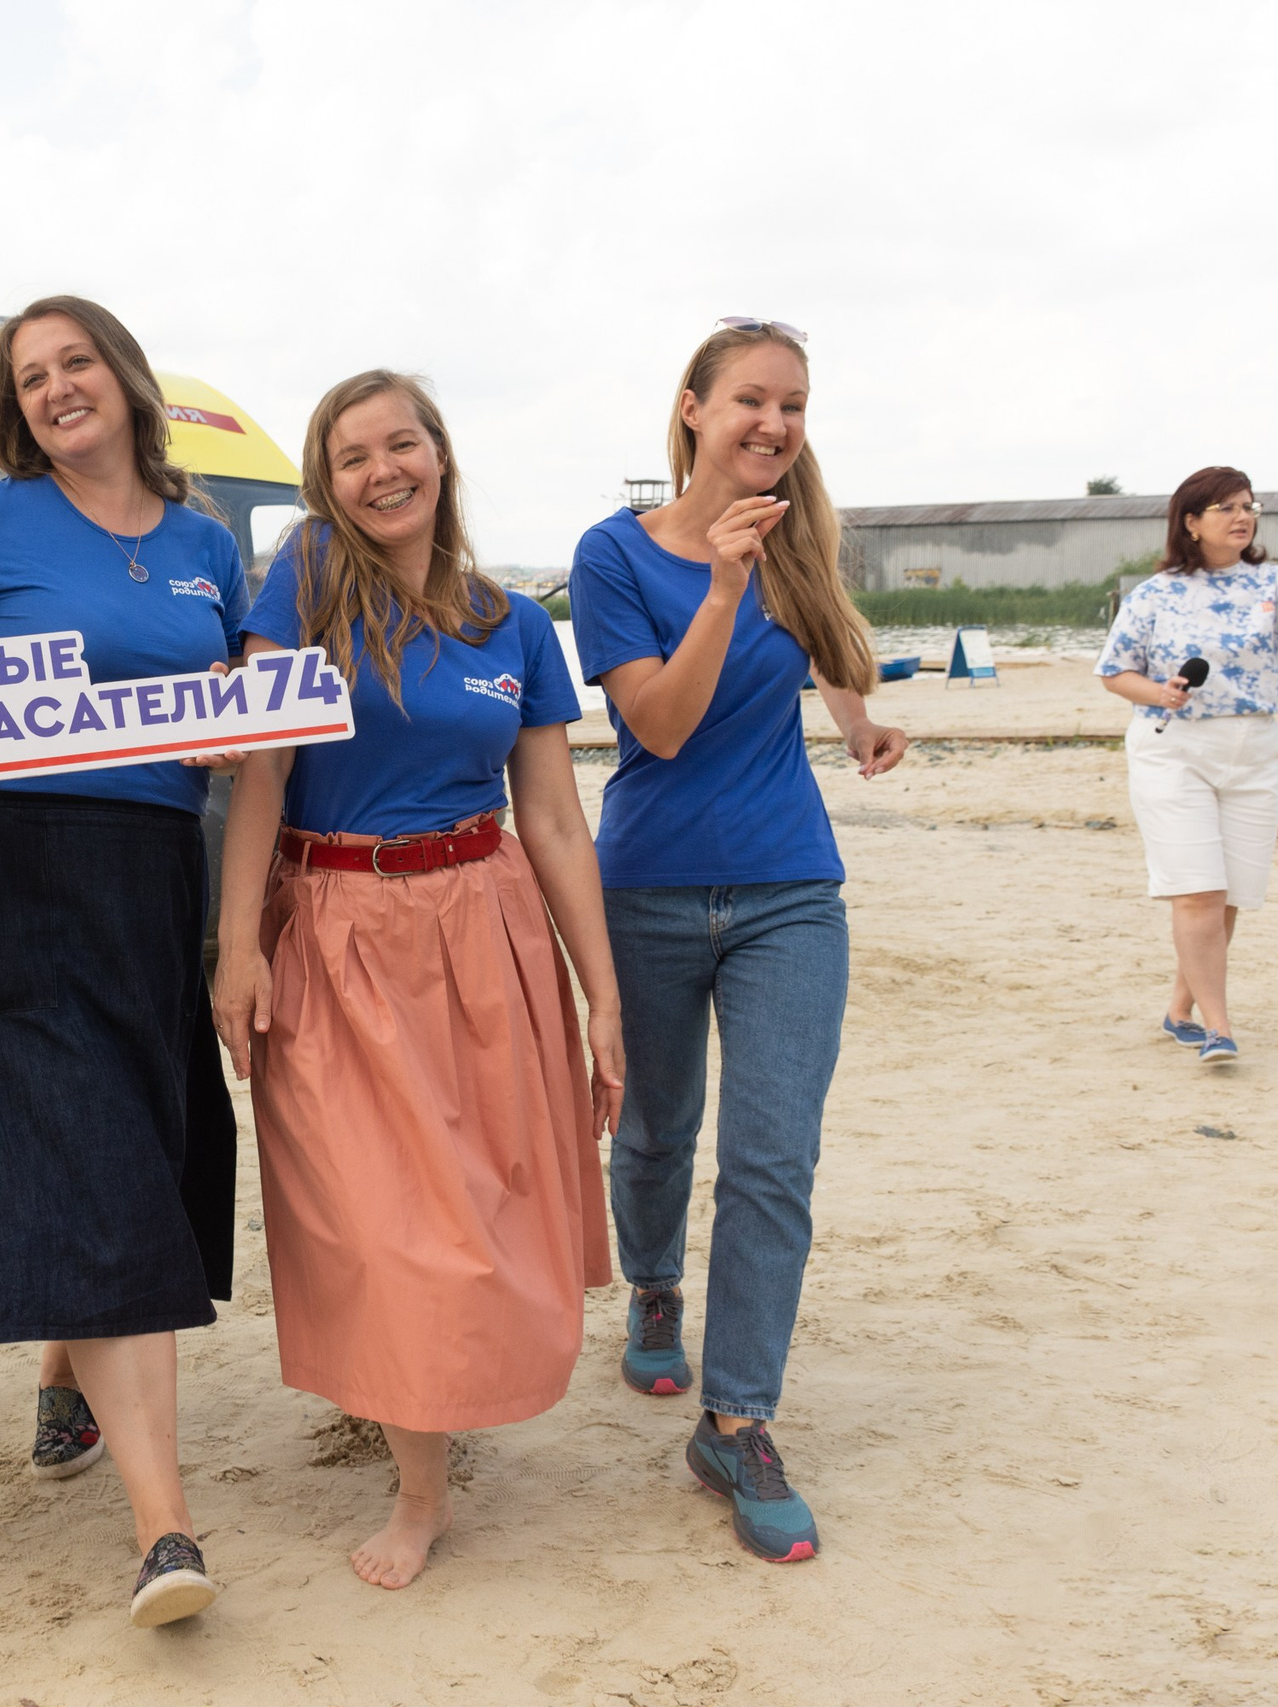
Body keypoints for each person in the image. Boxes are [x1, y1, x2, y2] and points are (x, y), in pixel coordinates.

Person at [210, 371, 623, 1591]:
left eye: (403, 445)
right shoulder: (298, 587)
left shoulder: (514, 624)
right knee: (376, 1214)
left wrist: (601, 996)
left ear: (440, 458)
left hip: (482, 924)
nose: (381, 471)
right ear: (323, 483)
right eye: (352, 457)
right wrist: (237, 948)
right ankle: (420, 1487)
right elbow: (261, 778)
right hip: (333, 922)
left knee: (473, 1199)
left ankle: (421, 1410)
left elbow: (550, 817)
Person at [0, 294, 242, 1628]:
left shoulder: (210, 543)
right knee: (99, 1170)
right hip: (7, 863)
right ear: (13, 406)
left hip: (150, 876)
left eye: (75, 360)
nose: (55, 387)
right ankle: (165, 1526)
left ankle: (60, 1381)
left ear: (125, 375)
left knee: (125, 1146)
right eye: (31, 376)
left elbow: (246, 710)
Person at [568, 318, 907, 1566]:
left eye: (795, 405)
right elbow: (653, 726)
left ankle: (738, 1417)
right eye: (753, 400)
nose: (775, 423)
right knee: (657, 1128)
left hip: (787, 894)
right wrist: (719, 585)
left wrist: (859, 723)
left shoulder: (799, 539)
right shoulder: (615, 553)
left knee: (772, 1161)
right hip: (647, 887)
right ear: (694, 408)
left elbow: (821, 641)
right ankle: (653, 1284)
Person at [1096, 466, 1278, 1066]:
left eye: (1248, 505)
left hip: (1256, 750)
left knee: (1231, 895)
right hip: (1174, 749)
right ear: (1191, 523)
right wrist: (1157, 692)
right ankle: (1219, 1028)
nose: (1242, 516)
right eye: (1224, 507)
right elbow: (1116, 673)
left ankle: (1180, 1009)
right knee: (1198, 890)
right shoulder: (1154, 594)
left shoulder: (1275, 583)